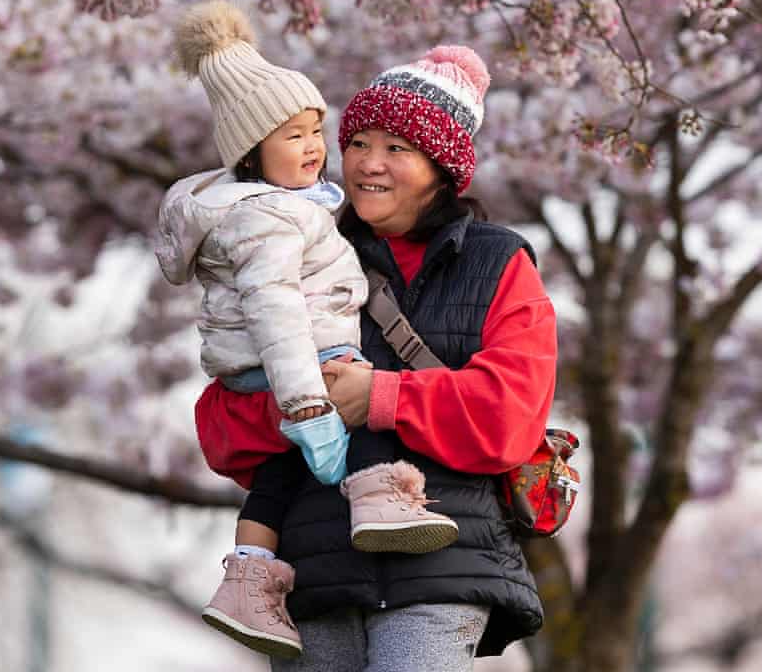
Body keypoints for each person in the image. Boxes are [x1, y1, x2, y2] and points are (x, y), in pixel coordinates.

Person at [195, 43, 559, 670]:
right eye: (359, 142)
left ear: (442, 168)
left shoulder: (498, 262)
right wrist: (304, 406)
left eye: (398, 149)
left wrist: (381, 399)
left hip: (442, 568)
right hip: (314, 572)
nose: (369, 164)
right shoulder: (295, 247)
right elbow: (219, 427)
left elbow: (509, 416)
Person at [154, 0, 458, 660]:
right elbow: (276, 310)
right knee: (362, 399)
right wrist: (308, 403)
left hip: (270, 360)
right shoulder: (268, 217)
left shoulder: (275, 207)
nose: (316, 147)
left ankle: (248, 577)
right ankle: (379, 500)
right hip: (293, 358)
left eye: (317, 129)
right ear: (250, 153)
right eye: (292, 136)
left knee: (281, 473)